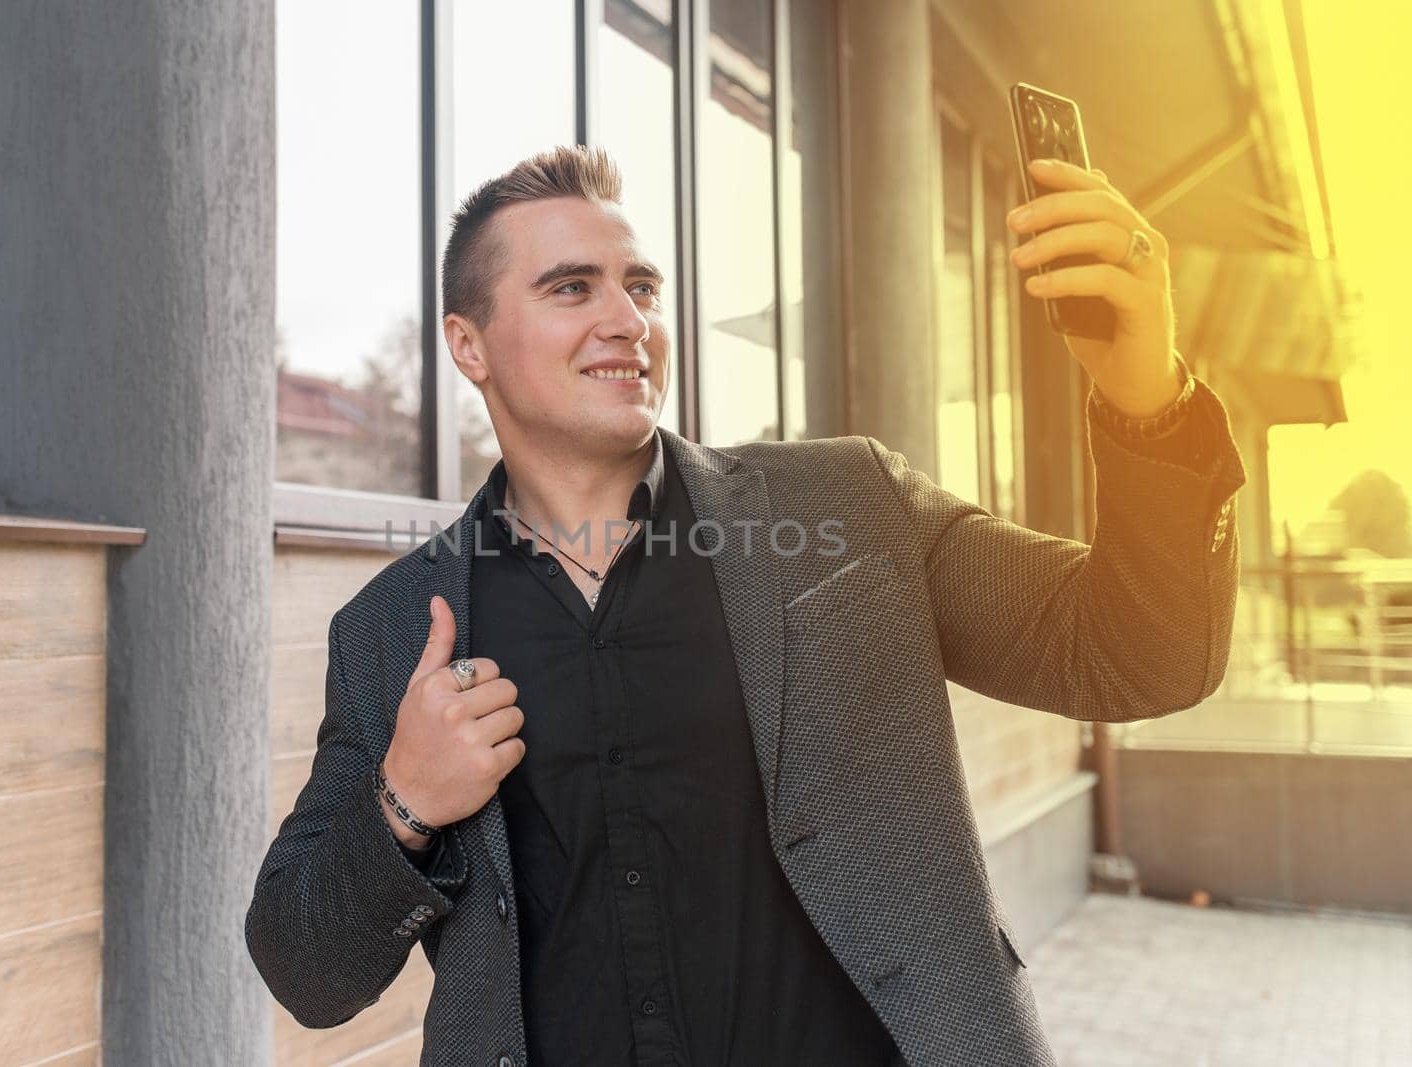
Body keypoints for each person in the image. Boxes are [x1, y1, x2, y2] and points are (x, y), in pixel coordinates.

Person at [245, 144, 1246, 1066]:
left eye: (640, 286)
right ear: (469, 346)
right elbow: (306, 970)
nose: (627, 320)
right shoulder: (391, 630)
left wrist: (1145, 398)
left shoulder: (850, 507)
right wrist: (404, 804)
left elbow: (1137, 652)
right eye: (570, 288)